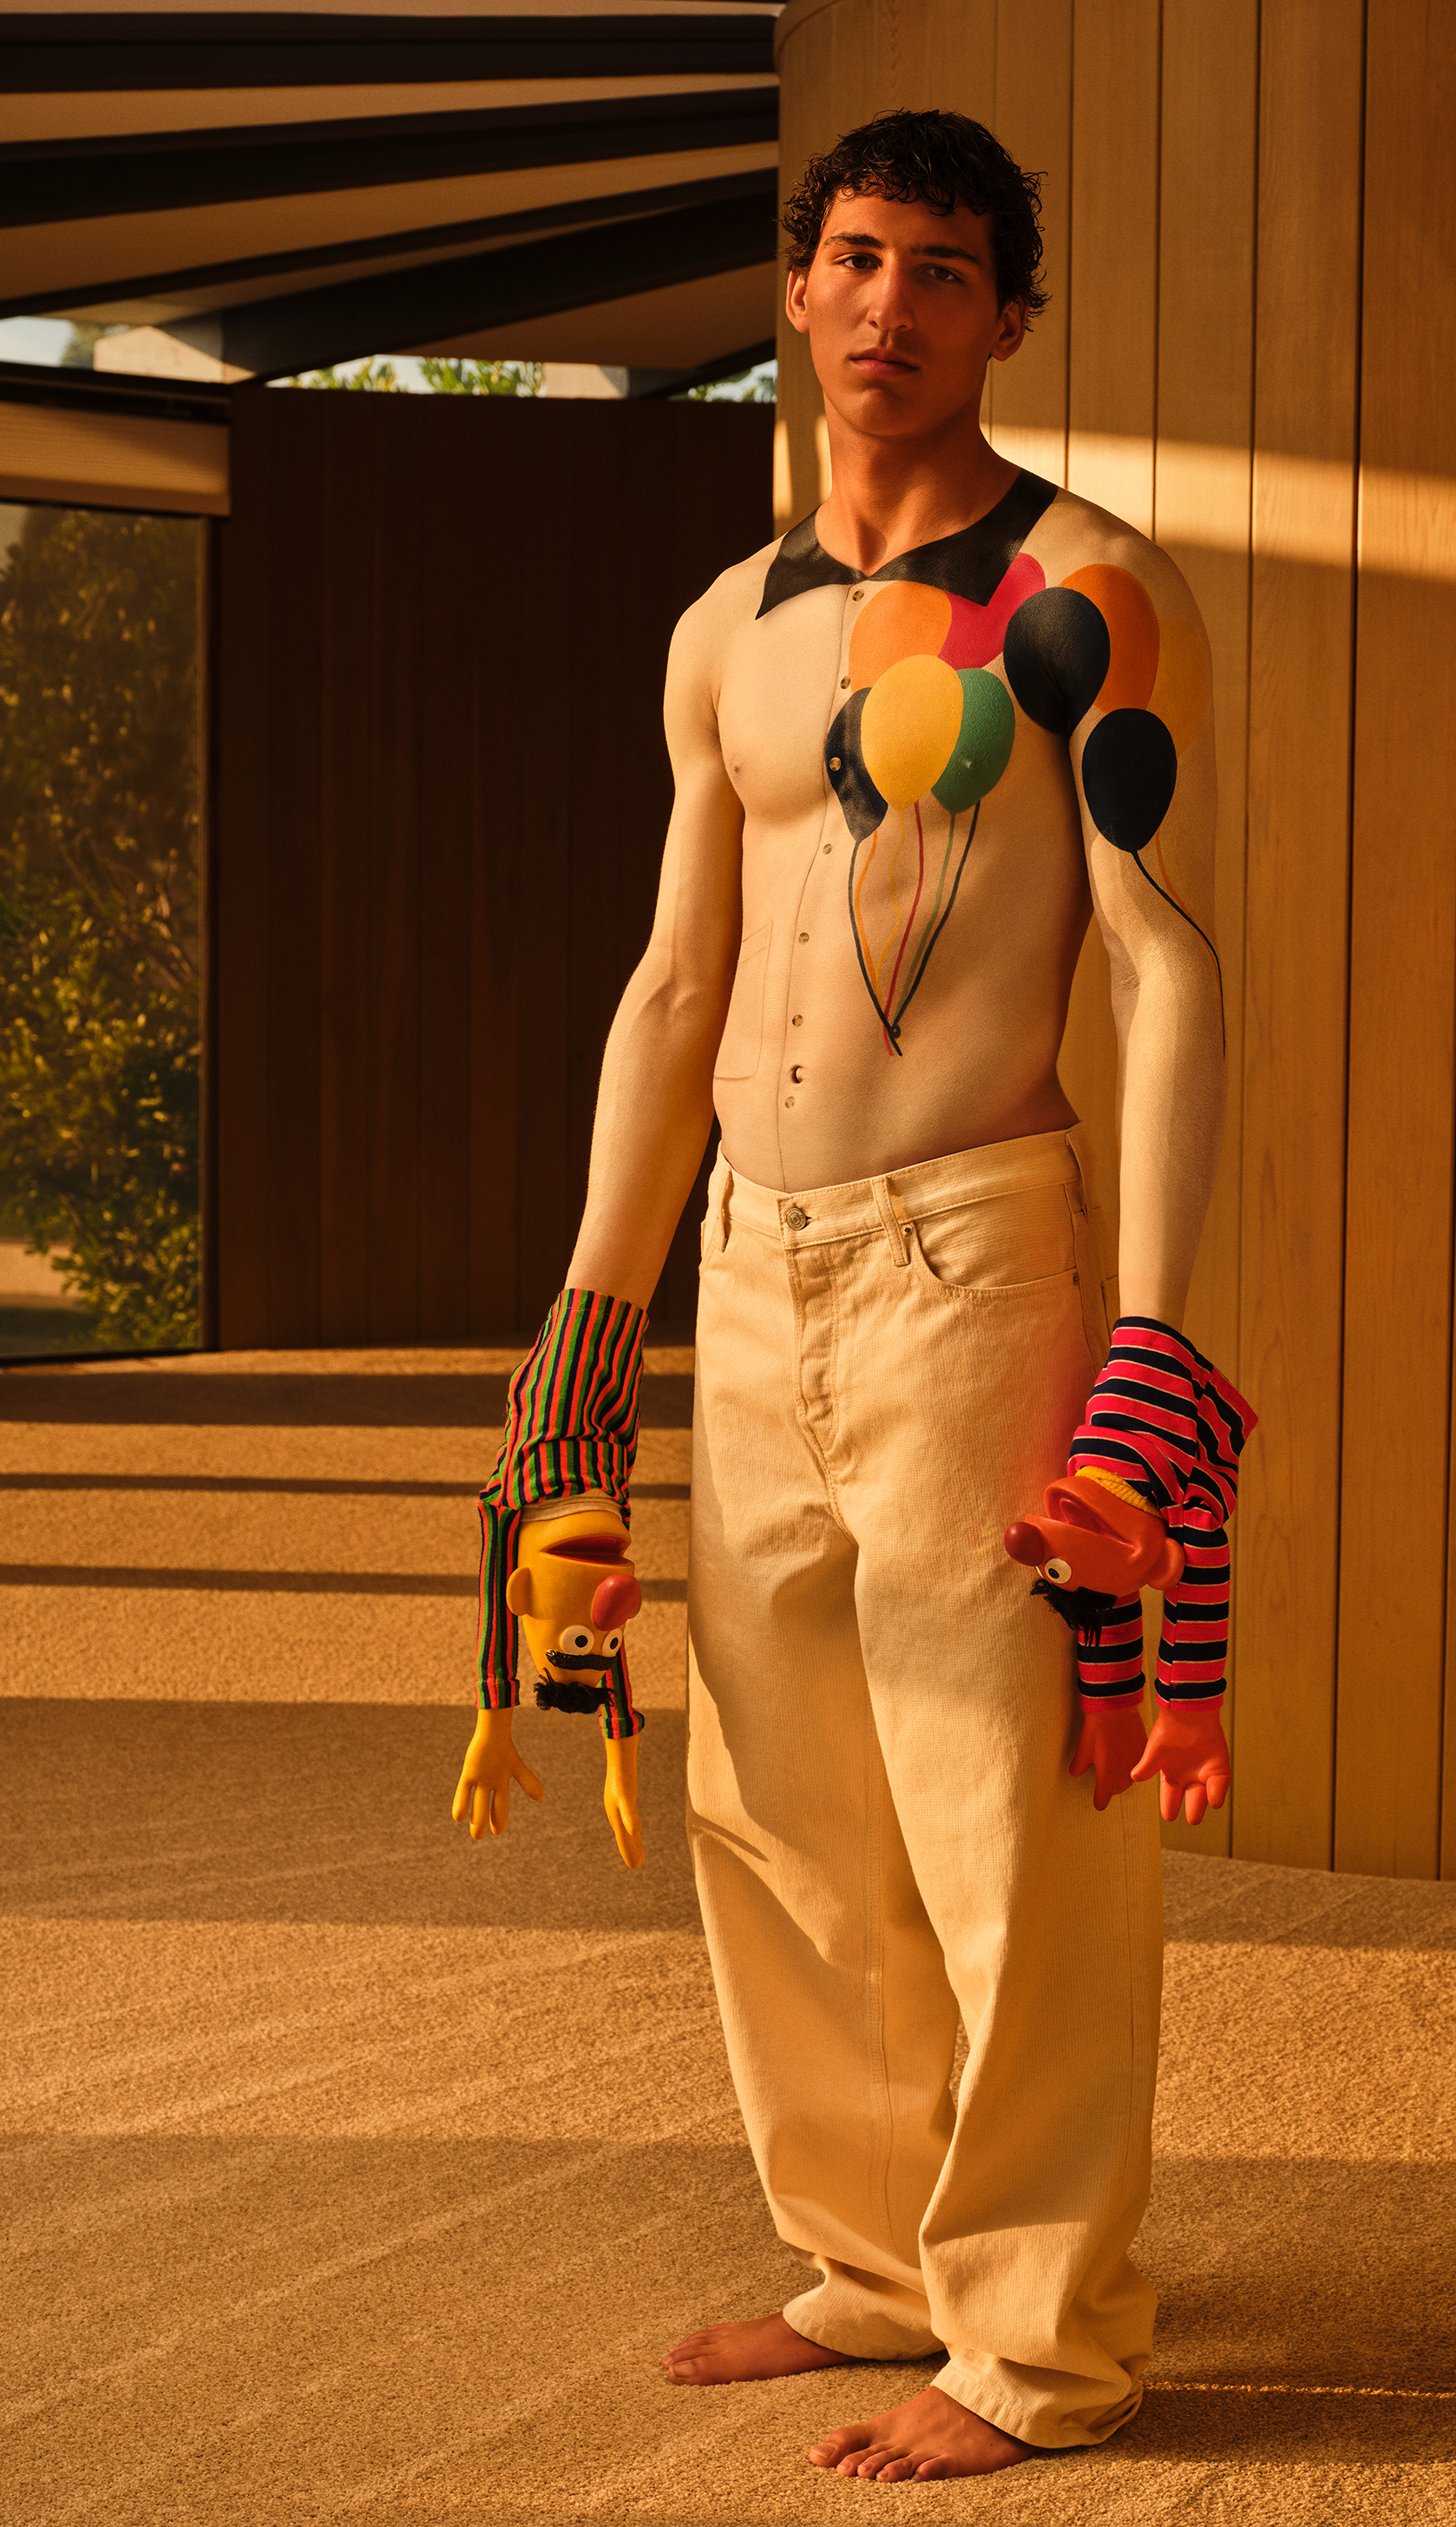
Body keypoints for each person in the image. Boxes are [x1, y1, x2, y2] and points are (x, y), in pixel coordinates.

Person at [451, 107, 1249, 2484]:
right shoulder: (723, 627)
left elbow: (1169, 963)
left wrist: (1158, 1353)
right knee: (774, 1799)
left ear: (1011, 314)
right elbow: (679, 979)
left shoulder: (1086, 590)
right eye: (855, 259)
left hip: (972, 1265)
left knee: (1015, 1814)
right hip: (750, 1281)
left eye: (945, 270)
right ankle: (875, 2260)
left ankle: (1041, 2339)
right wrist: (587, 1330)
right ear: (796, 293)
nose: (890, 304)